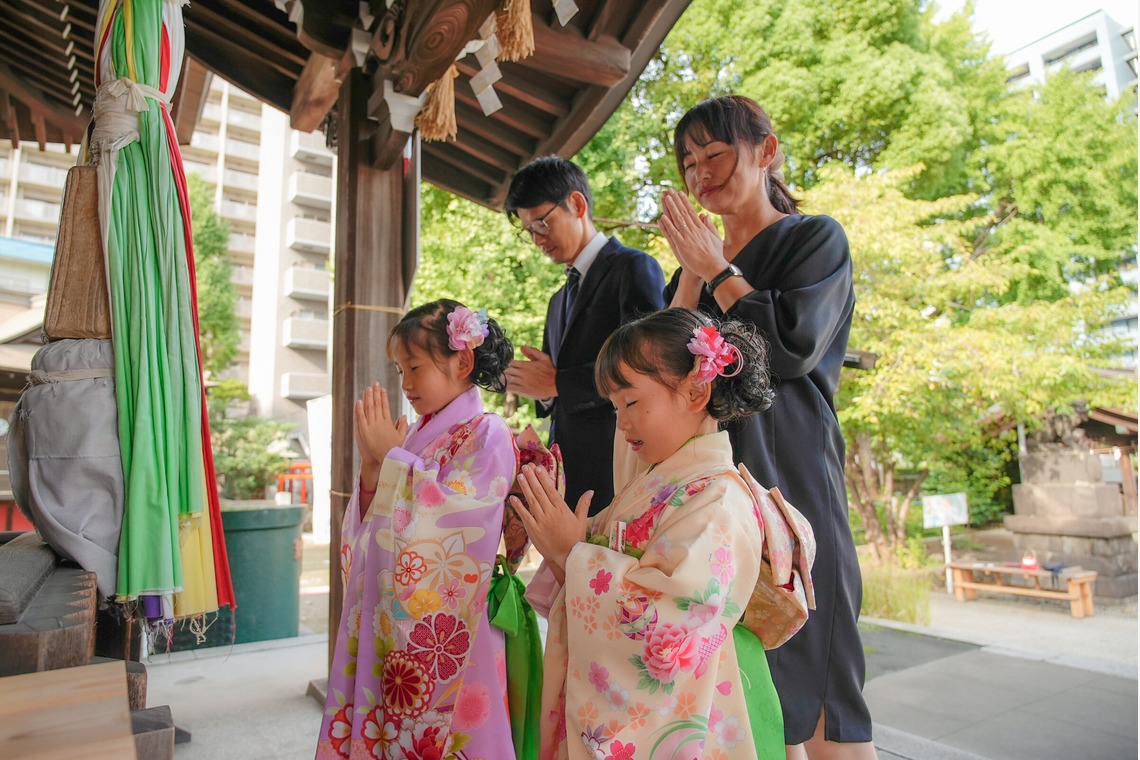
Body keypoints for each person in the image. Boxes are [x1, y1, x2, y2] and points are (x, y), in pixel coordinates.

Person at [659, 95, 876, 758]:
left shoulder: (816, 239)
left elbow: (788, 345)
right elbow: (664, 369)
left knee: (819, 684)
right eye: (689, 162)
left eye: (715, 154)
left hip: (794, 479)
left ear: (766, 151)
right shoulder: (691, 269)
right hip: (715, 496)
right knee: (745, 695)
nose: (701, 172)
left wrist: (717, 270)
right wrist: (693, 275)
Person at [515, 307, 788, 760]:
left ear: (696, 391)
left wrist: (573, 553)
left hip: (695, 707)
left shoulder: (719, 498)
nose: (621, 423)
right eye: (616, 407)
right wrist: (572, 542)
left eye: (633, 403)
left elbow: (674, 622)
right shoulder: (657, 483)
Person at [316, 300, 520, 760]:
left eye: (414, 367)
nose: (405, 384)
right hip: (396, 625)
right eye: (398, 369)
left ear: (462, 361)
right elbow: (374, 527)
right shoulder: (416, 435)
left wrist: (392, 461)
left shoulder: (487, 433)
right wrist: (373, 467)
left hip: (453, 633)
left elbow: (464, 525)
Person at [504, 156, 666, 514]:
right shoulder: (557, 299)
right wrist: (541, 389)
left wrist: (559, 383)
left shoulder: (633, 268)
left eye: (542, 224)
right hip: (567, 472)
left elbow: (651, 363)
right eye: (528, 230)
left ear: (577, 204)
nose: (536, 239)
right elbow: (555, 392)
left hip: (619, 460)